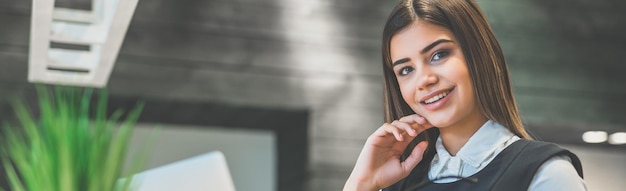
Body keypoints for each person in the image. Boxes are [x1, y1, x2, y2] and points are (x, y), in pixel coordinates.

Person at [343, 0, 586, 190]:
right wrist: (361, 184)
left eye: (438, 55)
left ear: (478, 53)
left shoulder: (547, 174)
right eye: (406, 70)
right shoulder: (397, 183)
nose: (424, 80)